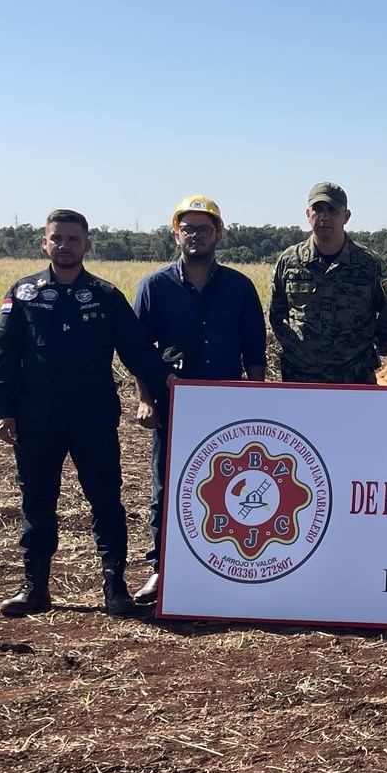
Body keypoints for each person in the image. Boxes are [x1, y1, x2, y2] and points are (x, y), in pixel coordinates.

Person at [0, 209, 171, 618]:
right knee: (37, 502)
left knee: (106, 502)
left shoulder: (106, 296)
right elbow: (3, 355)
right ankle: (35, 587)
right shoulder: (24, 293)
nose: (65, 246)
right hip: (36, 418)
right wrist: (0, 409)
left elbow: (137, 352)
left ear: (88, 244)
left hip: (93, 417)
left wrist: (172, 384)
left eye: (73, 239)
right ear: (44, 243)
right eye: (57, 239)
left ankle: (114, 587)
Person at [131, 195, 268, 607]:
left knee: (228, 483)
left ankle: (224, 564)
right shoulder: (155, 286)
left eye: (203, 229)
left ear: (219, 234)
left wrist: (257, 397)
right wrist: (146, 400)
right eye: (187, 229)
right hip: (175, 400)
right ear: (176, 234)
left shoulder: (240, 286)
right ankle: (162, 568)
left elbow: (255, 349)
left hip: (227, 402)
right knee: (168, 484)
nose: (195, 236)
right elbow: (140, 350)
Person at [267, 182, 387, 384]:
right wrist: (294, 348)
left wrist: (378, 347)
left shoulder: (369, 264)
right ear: (307, 214)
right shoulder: (290, 261)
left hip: (354, 376)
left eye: (332, 210)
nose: (325, 216)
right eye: (318, 209)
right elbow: (275, 313)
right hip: (300, 376)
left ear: (346, 216)